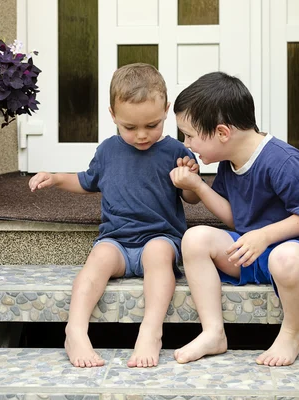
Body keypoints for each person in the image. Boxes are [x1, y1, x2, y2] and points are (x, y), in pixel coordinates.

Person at [29, 63, 200, 368]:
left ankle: (151, 329)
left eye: (152, 125)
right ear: (112, 115)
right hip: (117, 241)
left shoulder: (175, 150)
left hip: (159, 237)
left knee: (159, 254)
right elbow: (86, 180)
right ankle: (76, 330)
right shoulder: (108, 150)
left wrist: (189, 180)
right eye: (129, 127)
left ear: (166, 111)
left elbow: (190, 198)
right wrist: (55, 178)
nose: (142, 135)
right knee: (97, 261)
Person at [169, 71, 299, 367]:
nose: (186, 143)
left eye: (190, 135)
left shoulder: (282, 160)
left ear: (222, 132)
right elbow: (236, 218)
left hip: (297, 254)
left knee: (282, 260)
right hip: (253, 253)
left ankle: (294, 332)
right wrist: (196, 186)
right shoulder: (229, 162)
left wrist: (265, 236)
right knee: (194, 239)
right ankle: (213, 332)